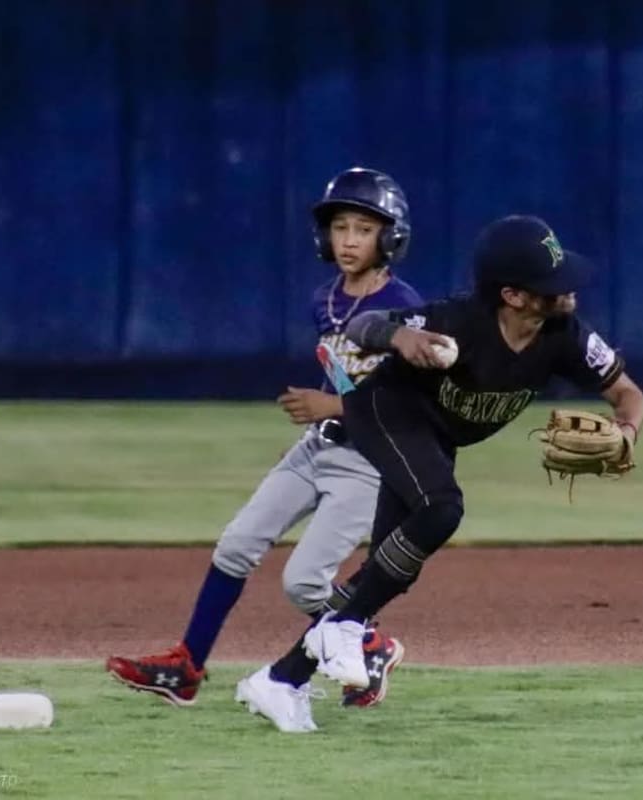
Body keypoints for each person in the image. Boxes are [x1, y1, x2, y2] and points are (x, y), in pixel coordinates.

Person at [235, 214, 643, 732]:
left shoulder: (564, 334)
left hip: (435, 439)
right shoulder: (457, 320)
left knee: (387, 573)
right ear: (513, 295)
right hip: (385, 413)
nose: (567, 292)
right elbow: (362, 328)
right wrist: (399, 338)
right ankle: (340, 626)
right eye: (552, 284)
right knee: (442, 508)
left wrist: (627, 432)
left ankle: (282, 679)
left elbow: (627, 394)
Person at [106, 167, 423, 711]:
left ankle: (369, 644)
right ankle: (187, 666)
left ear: (389, 237)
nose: (348, 239)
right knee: (235, 545)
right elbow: (348, 378)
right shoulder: (324, 299)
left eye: (364, 228)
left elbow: (406, 404)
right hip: (319, 449)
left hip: (369, 465)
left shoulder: (406, 306)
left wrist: (332, 408)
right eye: (340, 226)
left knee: (305, 584)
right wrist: (319, 425)